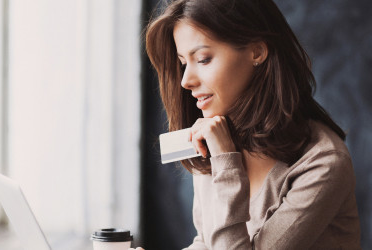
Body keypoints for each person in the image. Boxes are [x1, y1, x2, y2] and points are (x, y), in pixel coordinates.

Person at [142, 0, 361, 249]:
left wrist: (226, 163)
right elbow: (208, 242)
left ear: (256, 52)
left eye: (203, 59)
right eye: (183, 63)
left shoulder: (323, 163)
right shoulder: (215, 136)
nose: (185, 80)